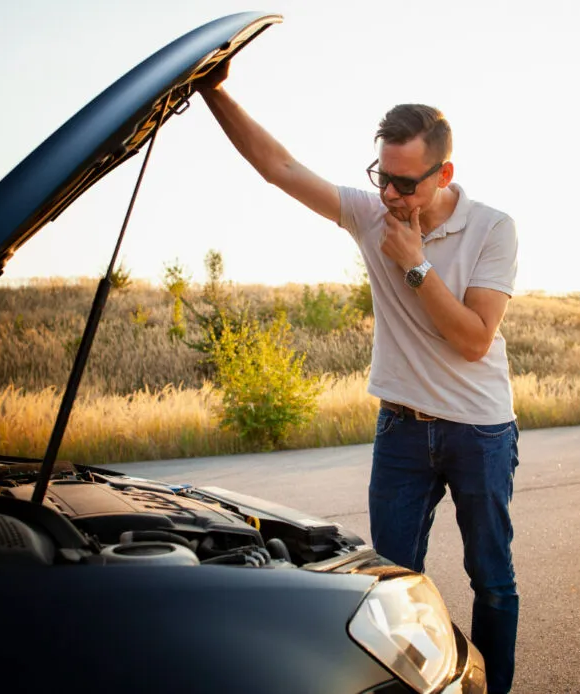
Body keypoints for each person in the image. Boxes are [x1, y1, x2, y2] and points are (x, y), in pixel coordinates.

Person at [197, 61, 521, 693]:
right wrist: (214, 90)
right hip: (401, 429)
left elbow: (475, 340)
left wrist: (416, 266)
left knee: (491, 578)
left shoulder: (493, 229)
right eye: (382, 178)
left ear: (443, 173)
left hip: (479, 431)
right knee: (388, 585)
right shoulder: (371, 215)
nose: (390, 197)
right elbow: (279, 168)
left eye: (405, 183)